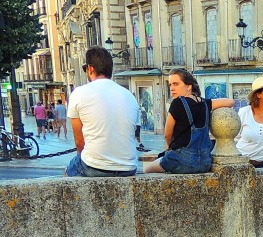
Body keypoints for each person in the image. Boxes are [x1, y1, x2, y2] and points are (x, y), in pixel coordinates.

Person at [65, 46, 140, 177]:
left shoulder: (79, 93)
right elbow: (133, 134)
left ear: (90, 68)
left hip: (95, 166)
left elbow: (79, 142)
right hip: (129, 167)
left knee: (69, 171)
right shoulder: (129, 95)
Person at [144, 68, 234, 174]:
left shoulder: (176, 103)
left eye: (176, 84)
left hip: (182, 161)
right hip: (205, 163)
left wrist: (169, 147)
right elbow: (230, 101)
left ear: (188, 86)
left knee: (147, 170)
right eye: (170, 85)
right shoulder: (205, 103)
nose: (172, 88)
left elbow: (167, 135)